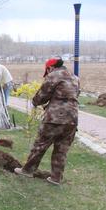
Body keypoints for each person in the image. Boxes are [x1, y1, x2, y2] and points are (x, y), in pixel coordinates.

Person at [15, 57, 79, 185]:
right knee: (62, 149)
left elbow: (42, 96)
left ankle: (27, 170)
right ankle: (56, 178)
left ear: (50, 68)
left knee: (40, 145)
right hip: (72, 118)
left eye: (47, 70)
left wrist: (35, 102)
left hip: (54, 118)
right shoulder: (74, 77)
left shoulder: (53, 76)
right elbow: (73, 96)